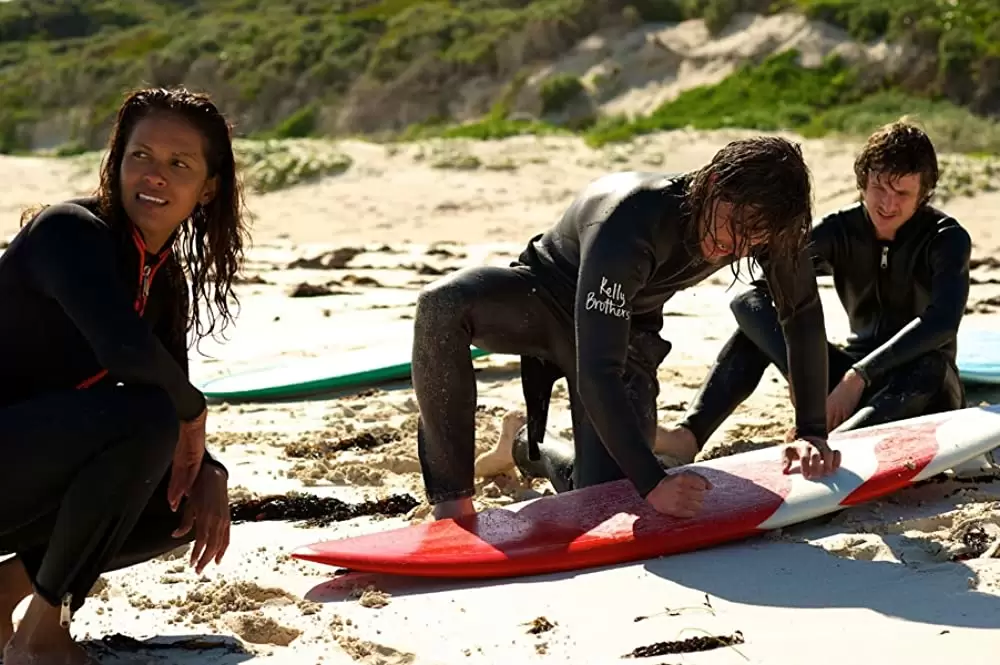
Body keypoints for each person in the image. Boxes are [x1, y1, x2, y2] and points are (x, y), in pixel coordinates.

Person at [412, 136, 841, 524]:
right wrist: (655, 482)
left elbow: (801, 314)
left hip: (629, 328)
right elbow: (598, 372)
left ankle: (527, 444)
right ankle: (452, 504)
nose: (735, 246)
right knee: (441, 306)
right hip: (544, 297)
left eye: (755, 239)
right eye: (735, 225)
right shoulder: (633, 218)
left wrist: (811, 431)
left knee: (606, 495)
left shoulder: (762, 227)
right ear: (712, 183)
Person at [0, 86, 248, 665]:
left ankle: (6, 595)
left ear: (207, 188)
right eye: (140, 156)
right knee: (150, 418)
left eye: (179, 164)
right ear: (116, 163)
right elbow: (125, 352)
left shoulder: (163, 277)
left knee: (179, 504)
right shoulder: (68, 232)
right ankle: (41, 636)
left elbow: (166, 380)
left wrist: (210, 468)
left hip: (21, 472)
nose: (155, 175)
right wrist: (193, 415)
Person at [652, 120, 971, 464]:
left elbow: (941, 323)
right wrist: (800, 374)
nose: (887, 204)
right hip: (843, 388)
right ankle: (689, 435)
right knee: (754, 331)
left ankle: (837, 441)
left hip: (923, 391)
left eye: (903, 194)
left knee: (930, 363)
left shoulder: (946, 239)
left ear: (924, 194)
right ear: (863, 180)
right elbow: (749, 299)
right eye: (879, 187)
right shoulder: (840, 230)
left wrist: (859, 376)